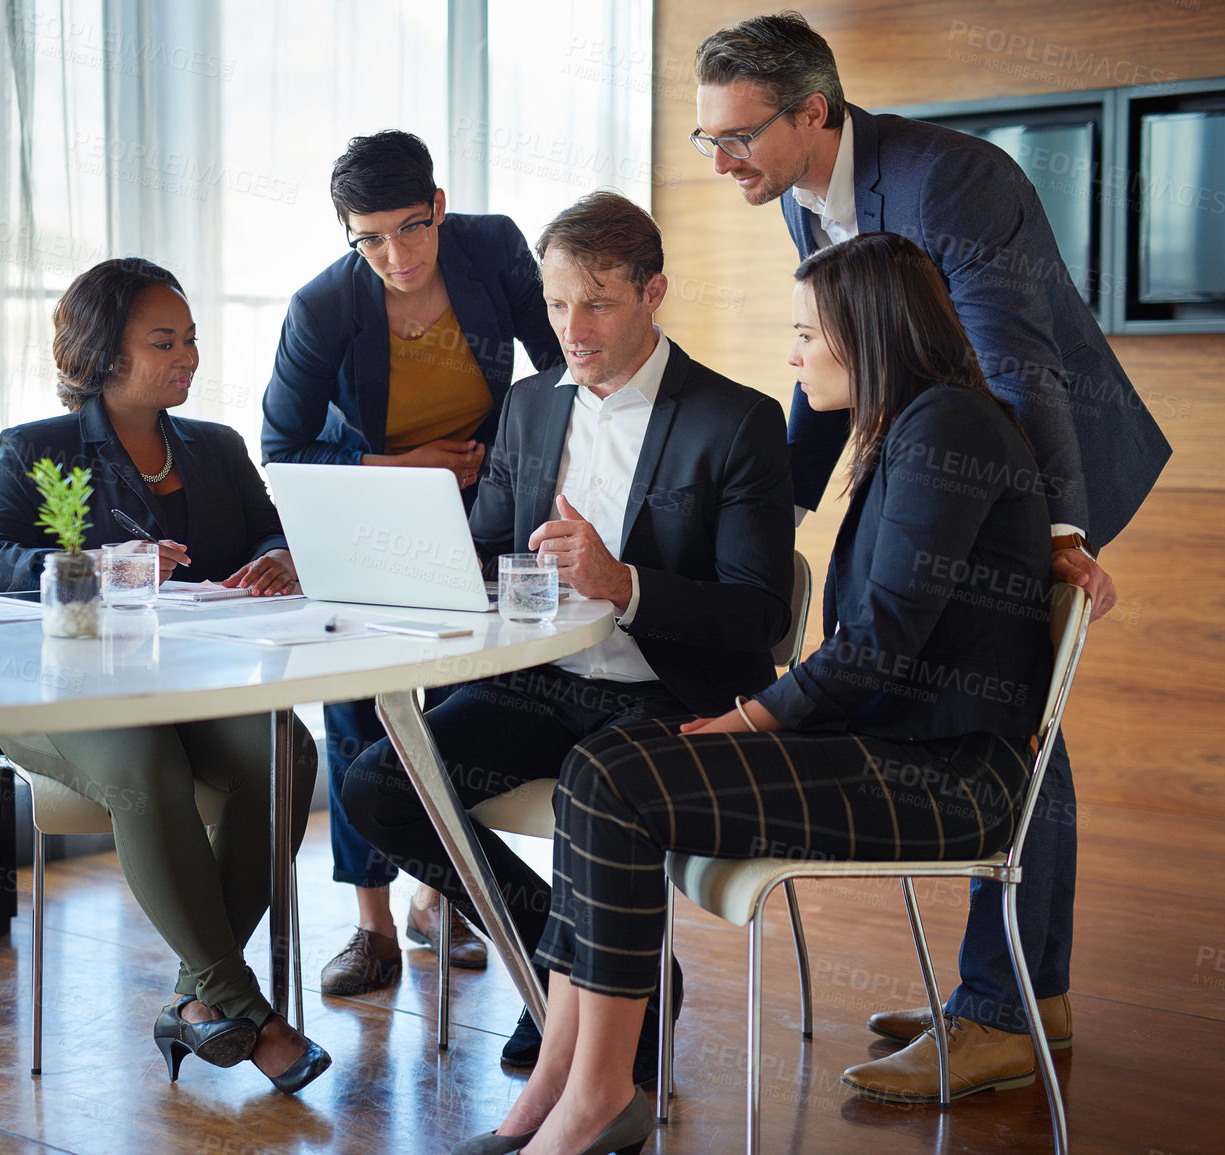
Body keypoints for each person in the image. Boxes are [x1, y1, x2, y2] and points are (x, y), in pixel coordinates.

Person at [458, 230, 1055, 1155]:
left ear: (869, 335)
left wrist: (747, 718)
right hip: (897, 750)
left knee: (612, 780)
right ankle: (558, 1083)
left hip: (944, 777)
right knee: (599, 765)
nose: (793, 354)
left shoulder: (946, 429)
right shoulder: (920, 425)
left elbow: (877, 645)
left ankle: (594, 1098)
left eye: (807, 334)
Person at [690, 11, 1172, 1100]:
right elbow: (843, 339)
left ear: (812, 112)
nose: (720, 162)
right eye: (705, 141)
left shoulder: (951, 180)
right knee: (1007, 720)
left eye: (737, 138)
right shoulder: (799, 190)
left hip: (1035, 473)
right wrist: (763, 515)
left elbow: (1017, 363)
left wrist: (1053, 530)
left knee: (1015, 720)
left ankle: (1000, 1010)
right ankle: (1018, 995)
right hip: (958, 467)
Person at [343, 191, 795, 1084]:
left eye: (597, 302)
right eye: (555, 303)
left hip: (669, 693)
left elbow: (760, 615)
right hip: (539, 680)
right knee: (382, 787)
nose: (572, 326)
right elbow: (485, 547)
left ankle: (589, 1008)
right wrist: (402, 562)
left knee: (594, 791)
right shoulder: (527, 408)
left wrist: (620, 583)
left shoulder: (736, 420)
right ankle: (569, 969)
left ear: (652, 292)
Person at [0, 257, 330, 1094]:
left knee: (286, 753)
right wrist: (97, 564)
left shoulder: (218, 448)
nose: (187, 357)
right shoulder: (40, 449)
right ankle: (245, 1009)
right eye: (164, 342)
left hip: (185, 686)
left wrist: (277, 559)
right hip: (58, 692)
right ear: (103, 351)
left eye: (191, 339)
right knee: (144, 764)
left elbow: (271, 535)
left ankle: (197, 1004)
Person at [262, 130, 562, 997]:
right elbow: (280, 447)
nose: (396, 254)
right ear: (347, 235)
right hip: (374, 511)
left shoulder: (491, 246)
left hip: (487, 503)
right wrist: (405, 468)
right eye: (370, 238)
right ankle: (374, 928)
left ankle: (443, 898)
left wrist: (511, 467)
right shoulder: (323, 307)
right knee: (362, 710)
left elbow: (558, 369)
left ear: (438, 206)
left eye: (410, 227)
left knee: (466, 702)